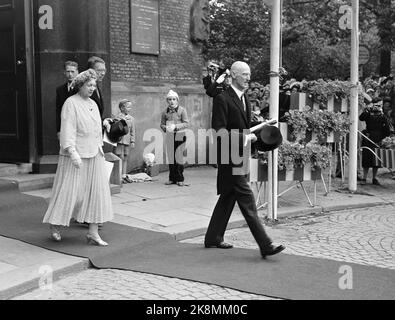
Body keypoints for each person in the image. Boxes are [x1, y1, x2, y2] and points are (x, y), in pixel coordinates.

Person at [204, 61, 285, 259]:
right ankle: (265, 244)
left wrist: (260, 124)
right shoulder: (222, 98)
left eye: (249, 74)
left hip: (241, 155)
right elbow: (219, 131)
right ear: (232, 75)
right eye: (244, 74)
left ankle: (213, 237)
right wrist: (244, 137)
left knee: (228, 197)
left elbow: (243, 123)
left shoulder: (244, 97)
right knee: (247, 200)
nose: (248, 78)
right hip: (229, 157)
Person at [43, 69, 113, 246]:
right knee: (69, 191)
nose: (92, 88)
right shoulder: (70, 103)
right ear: (80, 85)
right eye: (89, 85)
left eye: (94, 85)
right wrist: (72, 151)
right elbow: (68, 128)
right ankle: (55, 224)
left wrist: (105, 126)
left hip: (94, 152)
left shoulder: (93, 104)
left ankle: (93, 232)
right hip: (76, 154)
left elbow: (95, 128)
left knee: (96, 192)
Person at [160, 90, 190, 186]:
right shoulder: (165, 112)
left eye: (174, 99)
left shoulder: (182, 110)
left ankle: (180, 178)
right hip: (170, 135)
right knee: (171, 157)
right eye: (169, 99)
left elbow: (186, 123)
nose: (172, 101)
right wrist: (165, 127)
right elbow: (162, 124)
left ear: (177, 100)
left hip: (180, 135)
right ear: (167, 101)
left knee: (179, 157)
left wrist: (176, 126)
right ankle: (172, 178)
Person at [359, 99, 391, 185]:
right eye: (377, 105)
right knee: (366, 157)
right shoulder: (368, 112)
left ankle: (374, 178)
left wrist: (383, 138)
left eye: (380, 105)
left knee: (376, 158)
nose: (378, 107)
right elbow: (361, 118)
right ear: (373, 104)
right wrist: (367, 109)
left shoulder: (383, 115)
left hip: (378, 139)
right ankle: (364, 177)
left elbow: (387, 130)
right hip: (368, 137)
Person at [113, 99, 136, 182]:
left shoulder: (131, 119)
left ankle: (124, 175)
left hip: (127, 141)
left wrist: (132, 141)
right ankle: (118, 175)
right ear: (122, 108)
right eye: (128, 107)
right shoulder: (117, 118)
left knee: (125, 157)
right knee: (119, 157)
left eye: (130, 107)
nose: (130, 109)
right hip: (119, 141)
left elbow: (133, 131)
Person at [55, 61, 79, 136]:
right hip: (66, 128)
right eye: (68, 71)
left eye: (72, 71)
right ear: (64, 72)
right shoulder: (60, 90)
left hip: (80, 127)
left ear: (77, 72)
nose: (70, 74)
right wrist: (59, 130)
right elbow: (58, 111)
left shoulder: (82, 89)